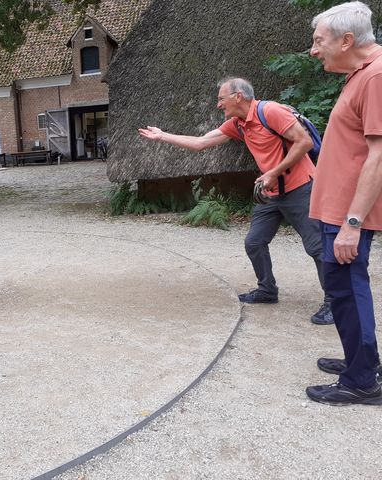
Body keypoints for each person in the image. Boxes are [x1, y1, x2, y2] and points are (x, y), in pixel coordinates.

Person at [138, 77, 333, 325]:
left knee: (316, 247)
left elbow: (304, 142)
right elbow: (201, 143)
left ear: (238, 96)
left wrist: (273, 172)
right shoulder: (238, 124)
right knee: (254, 242)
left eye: (221, 98)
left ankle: (335, 303)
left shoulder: (270, 112)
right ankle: (267, 290)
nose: (219, 104)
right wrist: (163, 136)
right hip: (270, 193)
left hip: (300, 188)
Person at [305, 1, 382, 405]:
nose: (314, 50)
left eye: (319, 41)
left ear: (347, 40)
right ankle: (361, 361)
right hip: (338, 209)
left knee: (348, 291)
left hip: (348, 213)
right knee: (345, 290)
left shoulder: (376, 77)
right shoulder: (361, 74)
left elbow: (379, 156)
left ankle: (363, 382)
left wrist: (353, 222)